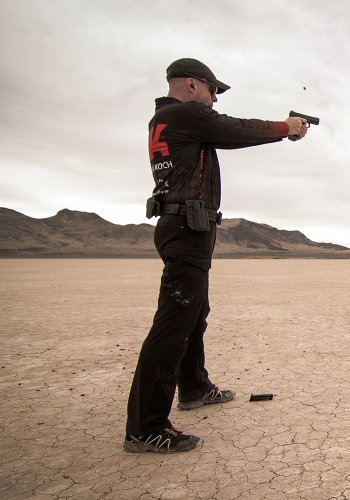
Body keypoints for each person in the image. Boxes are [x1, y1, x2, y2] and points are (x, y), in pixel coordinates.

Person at [124, 58, 309, 453]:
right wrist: (285, 128)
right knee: (172, 327)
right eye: (212, 92)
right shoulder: (182, 114)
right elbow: (234, 129)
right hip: (187, 229)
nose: (214, 101)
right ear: (192, 85)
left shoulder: (170, 119)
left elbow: (221, 129)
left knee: (193, 314)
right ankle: (145, 427)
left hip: (186, 226)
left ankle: (194, 388)